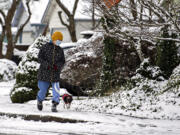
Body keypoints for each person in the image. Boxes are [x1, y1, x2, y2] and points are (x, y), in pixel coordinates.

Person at [37, 31, 65, 112]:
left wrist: (58, 66)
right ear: (53, 39)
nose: (59, 42)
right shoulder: (45, 47)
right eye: (58, 40)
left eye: (60, 40)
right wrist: (47, 65)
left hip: (55, 74)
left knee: (56, 90)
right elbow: (39, 58)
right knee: (43, 90)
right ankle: (39, 100)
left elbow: (62, 61)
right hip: (44, 73)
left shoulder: (60, 50)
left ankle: (54, 104)